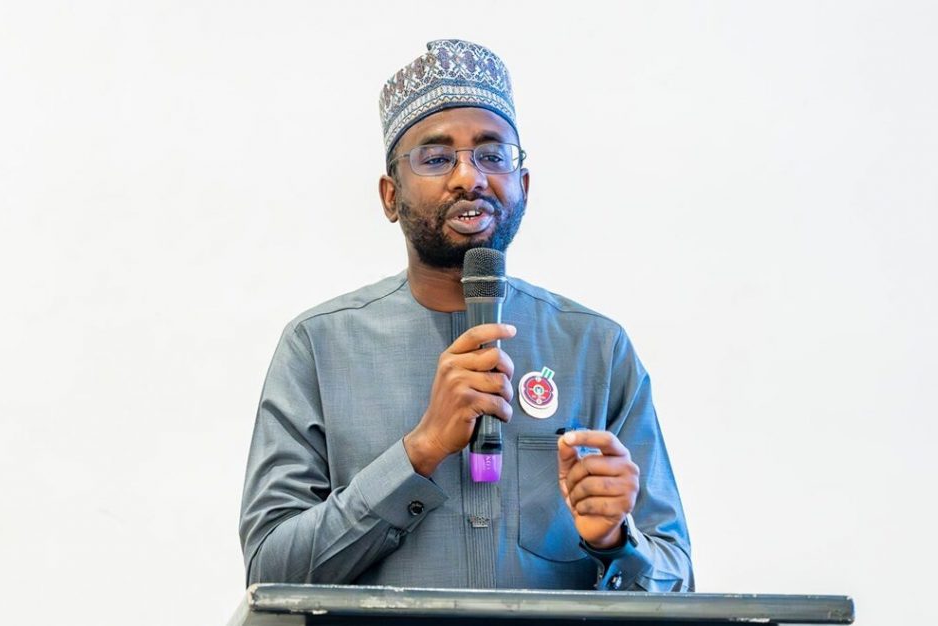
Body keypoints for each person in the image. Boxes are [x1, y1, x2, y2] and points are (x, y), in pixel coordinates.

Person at [239, 39, 693, 591]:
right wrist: (420, 450)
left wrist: (615, 541)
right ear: (390, 196)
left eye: (492, 156)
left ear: (524, 186)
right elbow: (271, 573)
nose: (468, 178)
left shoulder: (596, 349)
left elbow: (677, 580)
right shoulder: (318, 347)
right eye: (435, 158)